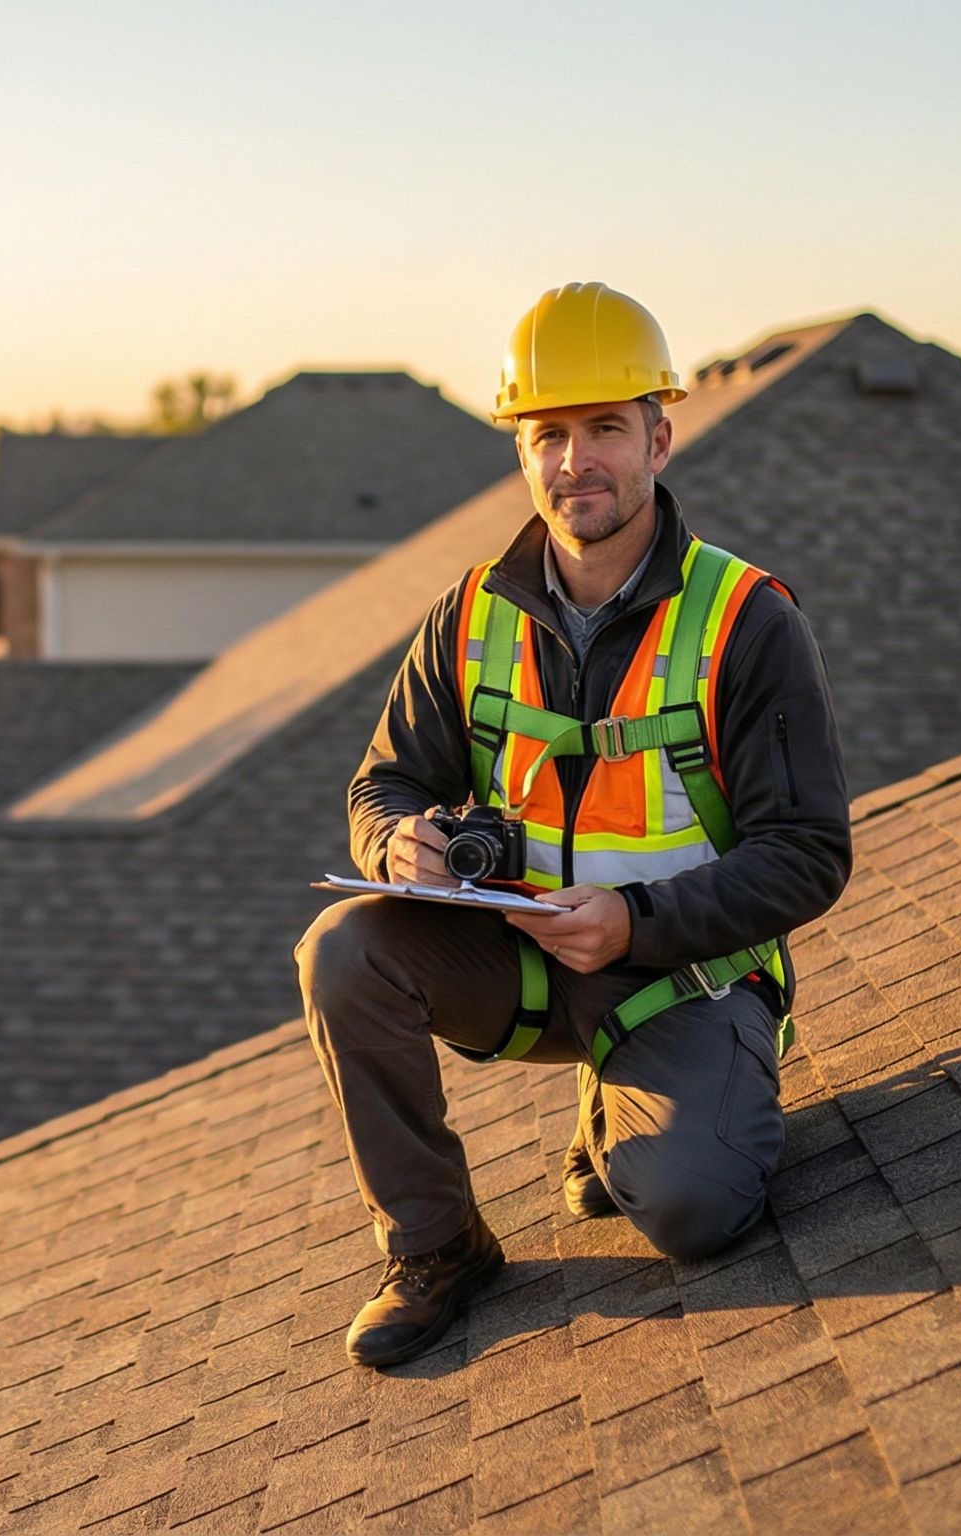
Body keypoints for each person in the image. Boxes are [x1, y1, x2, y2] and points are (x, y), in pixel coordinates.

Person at [297, 283, 853, 1368]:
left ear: (659, 434)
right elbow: (381, 787)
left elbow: (809, 853)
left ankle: (634, 1099)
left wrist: (635, 920)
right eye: (549, 434)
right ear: (520, 450)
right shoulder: (469, 615)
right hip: (519, 966)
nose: (575, 461)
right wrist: (393, 841)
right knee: (344, 952)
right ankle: (438, 1249)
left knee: (692, 1213)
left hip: (682, 972)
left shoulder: (746, 619)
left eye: (604, 428)